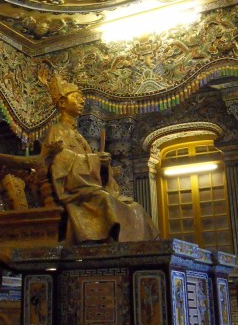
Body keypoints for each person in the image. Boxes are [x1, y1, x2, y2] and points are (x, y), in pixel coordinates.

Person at [41, 73, 159, 244]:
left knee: (135, 207)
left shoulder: (79, 136)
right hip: (74, 192)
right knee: (105, 200)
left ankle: (139, 248)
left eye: (82, 98)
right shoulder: (57, 131)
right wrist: (95, 160)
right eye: (76, 97)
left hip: (90, 187)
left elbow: (89, 164)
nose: (82, 101)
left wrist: (103, 166)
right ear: (62, 103)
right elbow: (61, 162)